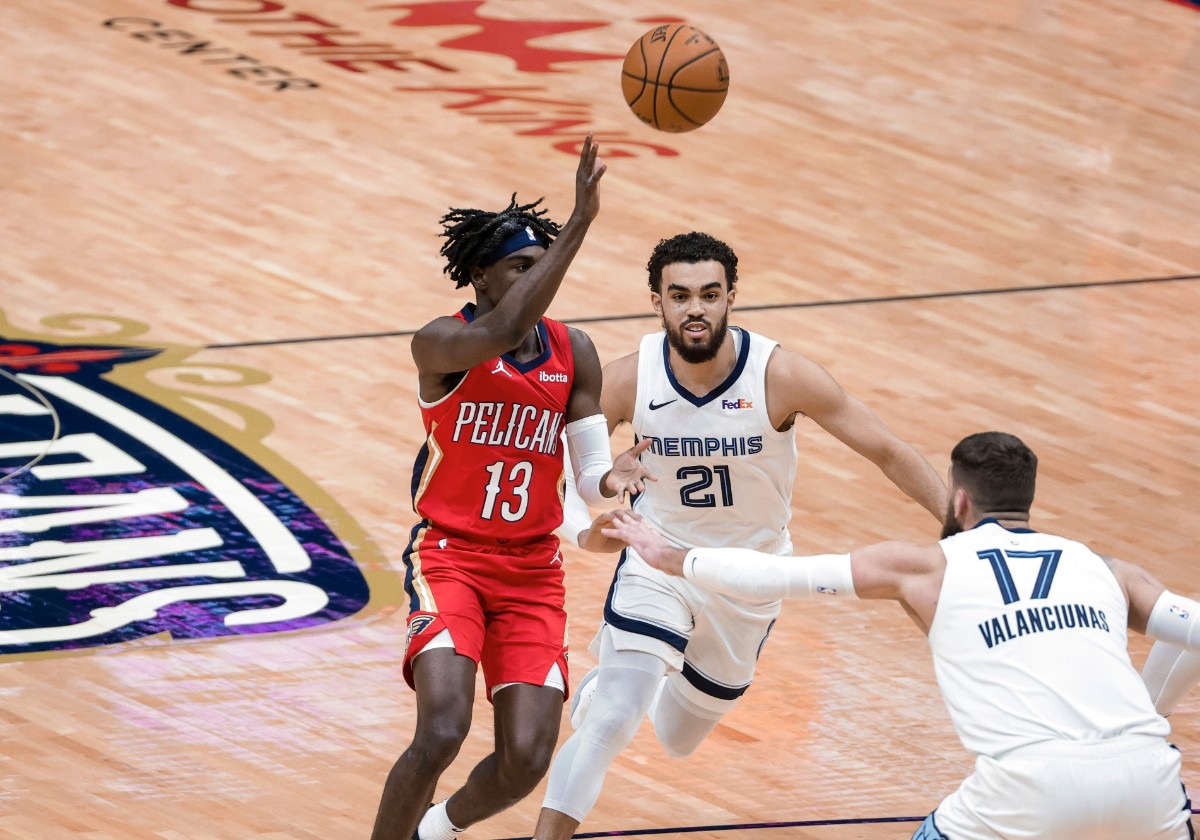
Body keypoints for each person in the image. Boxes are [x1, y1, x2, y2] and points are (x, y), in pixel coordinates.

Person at [535, 231, 949, 840]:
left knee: (678, 738)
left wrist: (966, 530)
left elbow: (887, 451)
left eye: (709, 294)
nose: (695, 309)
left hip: (748, 576)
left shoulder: (780, 375)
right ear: (657, 302)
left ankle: (623, 679)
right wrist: (588, 525)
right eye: (680, 296)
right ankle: (607, 704)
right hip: (656, 557)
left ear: (731, 297)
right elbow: (562, 470)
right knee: (613, 721)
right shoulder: (629, 378)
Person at [602, 431, 1196, 839]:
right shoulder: (1107, 568)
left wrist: (673, 557)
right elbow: (1191, 630)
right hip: (1151, 781)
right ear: (1029, 499)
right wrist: (1144, 715)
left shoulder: (925, 568)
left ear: (959, 499)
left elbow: (776, 576)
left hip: (1028, 788)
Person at [370, 135, 652, 840]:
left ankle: (437, 829)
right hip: (452, 558)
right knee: (440, 731)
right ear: (481, 278)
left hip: (532, 571)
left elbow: (589, 476)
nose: (534, 279)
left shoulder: (574, 351)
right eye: (519, 268)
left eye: (540, 265)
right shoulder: (441, 344)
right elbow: (505, 325)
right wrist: (581, 222)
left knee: (526, 758)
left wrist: (610, 479)